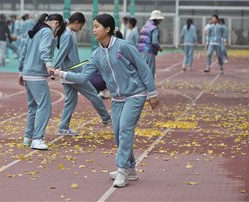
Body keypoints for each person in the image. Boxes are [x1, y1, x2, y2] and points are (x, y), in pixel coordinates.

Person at [53, 13, 159, 188]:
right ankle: (131, 168)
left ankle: (122, 170)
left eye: (96, 27)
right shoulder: (96, 55)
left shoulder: (124, 47)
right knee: (118, 134)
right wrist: (59, 73)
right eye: (93, 26)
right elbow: (82, 77)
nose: (93, 30)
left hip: (135, 94)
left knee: (125, 130)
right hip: (117, 98)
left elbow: (144, 68)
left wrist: (152, 93)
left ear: (107, 29)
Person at [53, 12, 111, 136]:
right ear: (77, 23)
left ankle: (63, 127)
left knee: (71, 100)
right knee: (94, 95)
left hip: (67, 73)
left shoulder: (68, 33)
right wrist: (54, 69)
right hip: (72, 74)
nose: (81, 29)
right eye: (81, 26)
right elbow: (62, 53)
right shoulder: (67, 34)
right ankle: (107, 119)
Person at [18, 13, 62, 150]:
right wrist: (49, 66)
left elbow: (23, 52)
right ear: (56, 23)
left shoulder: (34, 32)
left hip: (27, 73)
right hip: (36, 75)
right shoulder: (47, 32)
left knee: (33, 107)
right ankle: (37, 139)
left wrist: (21, 71)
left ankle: (28, 137)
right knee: (45, 106)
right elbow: (44, 50)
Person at [138, 10, 164, 78]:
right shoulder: (154, 28)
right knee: (150, 73)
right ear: (157, 19)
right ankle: (150, 88)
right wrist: (159, 47)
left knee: (143, 71)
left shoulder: (145, 26)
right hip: (149, 52)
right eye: (160, 19)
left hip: (141, 52)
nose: (161, 21)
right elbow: (154, 41)